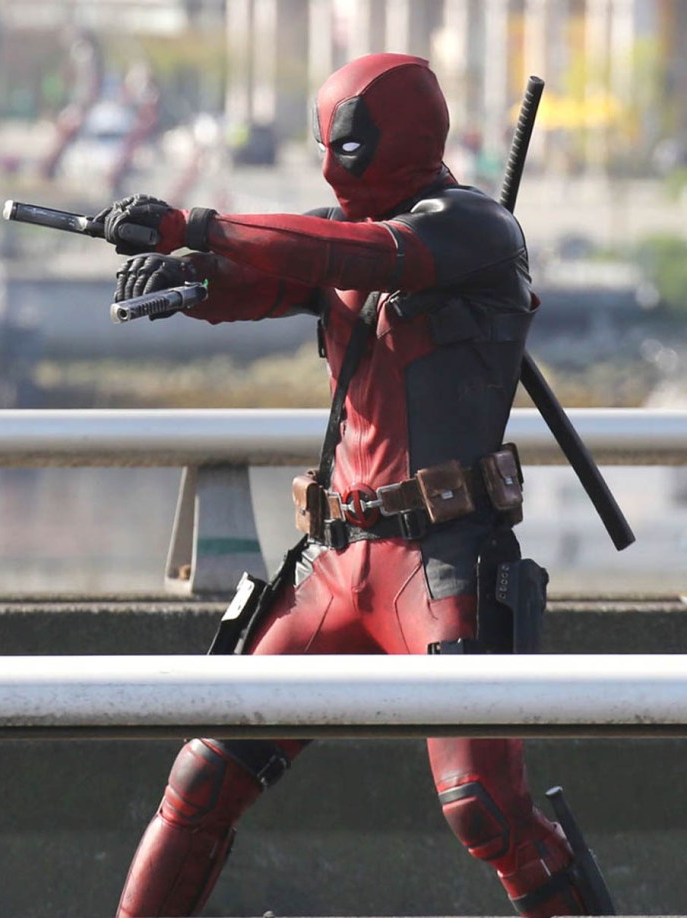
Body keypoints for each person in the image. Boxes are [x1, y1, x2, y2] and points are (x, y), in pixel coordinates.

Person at [96, 53, 614, 918]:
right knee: (204, 776)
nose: (330, 168)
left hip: (442, 566)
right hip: (333, 564)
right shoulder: (345, 233)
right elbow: (270, 274)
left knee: (487, 809)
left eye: (344, 147)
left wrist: (198, 226)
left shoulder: (472, 229)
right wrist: (186, 280)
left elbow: (361, 255)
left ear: (396, 140)